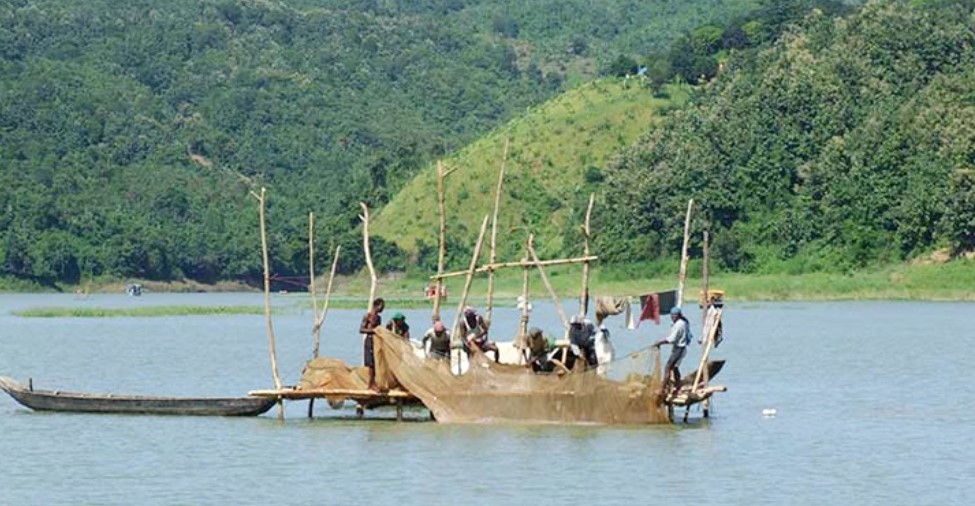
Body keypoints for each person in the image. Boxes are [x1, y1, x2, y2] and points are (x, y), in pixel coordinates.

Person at [653, 306, 693, 396]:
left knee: (667, 368)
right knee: (675, 368)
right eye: (672, 316)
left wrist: (660, 342)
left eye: (674, 316)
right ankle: (678, 387)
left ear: (678, 316)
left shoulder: (679, 324)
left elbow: (672, 339)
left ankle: (662, 389)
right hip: (681, 349)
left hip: (679, 349)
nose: (673, 318)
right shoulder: (682, 322)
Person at [359, 297, 385, 391]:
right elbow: (361, 330)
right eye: (381, 306)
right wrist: (373, 330)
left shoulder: (379, 318)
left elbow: (379, 329)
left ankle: (374, 382)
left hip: (376, 341)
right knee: (370, 363)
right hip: (369, 340)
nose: (382, 309)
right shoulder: (368, 316)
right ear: (376, 306)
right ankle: (370, 384)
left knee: (375, 362)